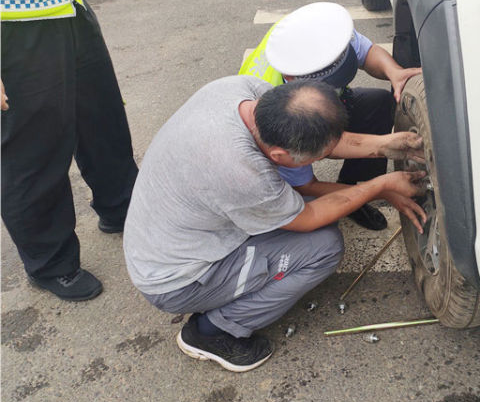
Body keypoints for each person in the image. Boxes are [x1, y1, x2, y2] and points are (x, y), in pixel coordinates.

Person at [124, 77, 425, 371]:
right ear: (278, 155)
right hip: (177, 278)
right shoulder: (243, 172)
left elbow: (325, 137)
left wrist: (386, 144)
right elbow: (307, 219)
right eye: (315, 158)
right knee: (323, 247)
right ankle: (213, 330)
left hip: (169, 230)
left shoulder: (241, 90)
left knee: (305, 214)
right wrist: (381, 186)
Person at [1, 0, 138, 301]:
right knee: (35, 150)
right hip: (16, 29)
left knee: (102, 119)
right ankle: (49, 262)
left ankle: (121, 206)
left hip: (66, 6)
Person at [239, 2, 422, 231]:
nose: (340, 85)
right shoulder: (273, 108)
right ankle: (353, 200)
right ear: (293, 78)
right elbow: (306, 185)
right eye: (329, 86)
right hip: (289, 133)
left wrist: (394, 71)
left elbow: (366, 52)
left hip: (310, 113)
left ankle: (351, 184)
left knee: (378, 103)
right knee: (310, 212)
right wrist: (378, 191)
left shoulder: (322, 33)